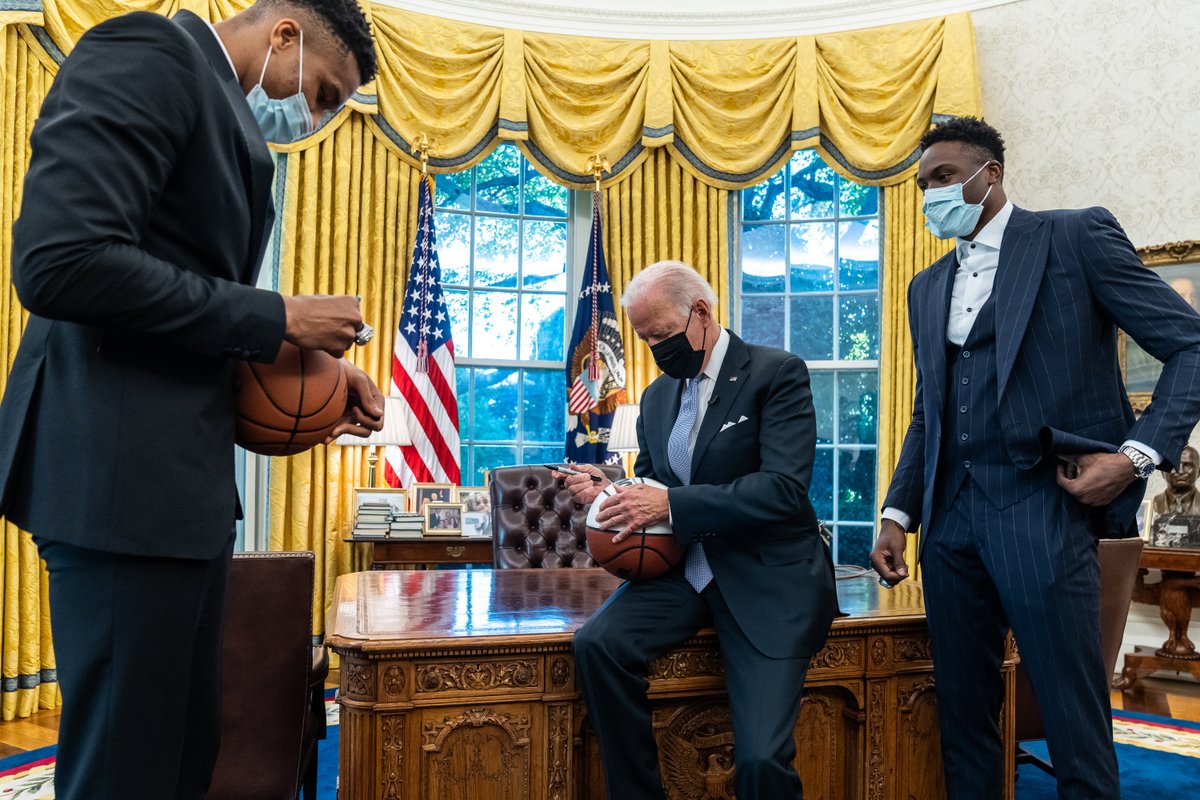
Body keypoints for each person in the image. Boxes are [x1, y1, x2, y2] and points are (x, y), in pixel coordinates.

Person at [0, 2, 383, 797]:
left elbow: (178, 296)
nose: (312, 117)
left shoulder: (214, 103)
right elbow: (62, 260)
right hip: (117, 482)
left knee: (183, 749)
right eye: (323, 92)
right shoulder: (147, 51)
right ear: (286, 34)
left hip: (177, 494)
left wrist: (309, 371)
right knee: (123, 765)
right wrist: (278, 315)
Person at [870, 117, 1200, 799]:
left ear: (989, 174)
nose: (932, 192)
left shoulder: (1072, 237)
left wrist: (1135, 456)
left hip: (1043, 508)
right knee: (963, 714)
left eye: (944, 176)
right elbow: (931, 409)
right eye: (923, 182)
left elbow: (1190, 347)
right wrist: (897, 511)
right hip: (950, 524)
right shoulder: (925, 287)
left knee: (1072, 716)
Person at [560, 260, 838, 800]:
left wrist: (668, 500)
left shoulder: (776, 373)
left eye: (661, 333)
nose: (654, 347)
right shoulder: (659, 397)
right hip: (684, 574)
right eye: (643, 338)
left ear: (701, 313)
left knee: (760, 760)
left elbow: (783, 490)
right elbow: (663, 483)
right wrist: (611, 491)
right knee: (597, 645)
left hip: (766, 579)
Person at [1152, 445, 1200, 517]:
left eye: (1188, 465)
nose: (1180, 471)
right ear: (1162, 472)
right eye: (1173, 466)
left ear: (1199, 472)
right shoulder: (1151, 505)